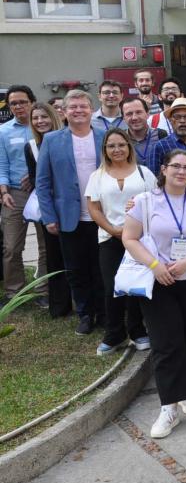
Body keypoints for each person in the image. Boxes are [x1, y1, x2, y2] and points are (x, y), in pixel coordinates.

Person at [122, 149, 186, 439]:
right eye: (175, 166)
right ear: (163, 169)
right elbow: (129, 238)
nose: (181, 171)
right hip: (157, 281)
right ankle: (168, 407)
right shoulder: (144, 201)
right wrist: (155, 265)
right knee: (166, 342)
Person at [36, 90, 106, 334]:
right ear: (63, 112)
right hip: (69, 217)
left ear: (91, 109)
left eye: (83, 106)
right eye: (73, 107)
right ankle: (85, 314)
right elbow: (43, 182)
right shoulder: (52, 140)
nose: (78, 110)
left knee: (101, 268)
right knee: (76, 270)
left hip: (101, 216)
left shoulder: (105, 136)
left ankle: (104, 313)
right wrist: (49, 217)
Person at [86, 128, 157, 355]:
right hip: (110, 238)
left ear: (129, 147)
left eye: (121, 145)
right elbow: (94, 209)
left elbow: (156, 202)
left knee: (135, 286)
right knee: (112, 287)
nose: (116, 149)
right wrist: (113, 229)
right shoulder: (97, 176)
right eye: (111, 146)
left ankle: (137, 331)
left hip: (139, 239)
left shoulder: (144, 173)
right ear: (105, 150)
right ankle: (114, 334)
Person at [23, 102, 71, 316]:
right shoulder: (31, 147)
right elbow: (35, 178)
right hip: (49, 207)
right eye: (36, 118)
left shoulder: (68, 139)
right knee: (53, 256)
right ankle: (59, 305)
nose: (40, 121)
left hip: (71, 204)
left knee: (75, 255)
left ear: (53, 117)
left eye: (44, 117)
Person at [0, 85, 39, 302]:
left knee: (45, 247)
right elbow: (2, 164)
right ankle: (15, 292)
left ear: (31, 102)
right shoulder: (3, 131)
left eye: (22, 102)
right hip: (14, 194)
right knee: (11, 247)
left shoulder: (43, 126)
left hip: (41, 192)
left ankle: (44, 290)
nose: (18, 106)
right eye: (13, 103)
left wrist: (35, 176)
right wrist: (3, 190)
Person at [149, 98, 186, 176]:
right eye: (177, 117)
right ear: (170, 120)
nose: (182, 121)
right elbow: (154, 179)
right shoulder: (160, 146)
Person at [121, 98, 166, 169]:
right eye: (129, 114)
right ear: (123, 118)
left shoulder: (160, 135)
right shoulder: (121, 138)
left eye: (138, 112)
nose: (134, 117)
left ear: (147, 114)